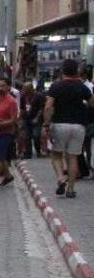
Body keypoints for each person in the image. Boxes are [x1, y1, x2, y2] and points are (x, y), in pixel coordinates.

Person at [42, 58, 94, 199]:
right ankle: (71, 190)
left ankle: (60, 177)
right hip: (78, 126)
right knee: (73, 157)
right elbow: (92, 103)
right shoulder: (82, 87)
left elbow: (48, 107)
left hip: (59, 124)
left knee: (57, 155)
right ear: (76, 71)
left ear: (62, 71)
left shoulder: (56, 86)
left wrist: (46, 124)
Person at [0, 76, 19, 190]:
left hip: (6, 133)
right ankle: (8, 176)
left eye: (3, 86)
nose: (0, 88)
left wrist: (1, 124)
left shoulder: (11, 101)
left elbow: (13, 119)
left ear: (8, 87)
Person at [18, 82, 46, 160]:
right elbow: (22, 108)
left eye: (26, 89)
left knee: (36, 135)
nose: (24, 90)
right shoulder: (23, 96)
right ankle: (28, 153)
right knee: (27, 136)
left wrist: (37, 118)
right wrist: (20, 119)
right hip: (27, 118)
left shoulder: (39, 96)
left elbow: (41, 108)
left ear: (31, 88)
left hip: (36, 119)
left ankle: (38, 150)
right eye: (24, 89)